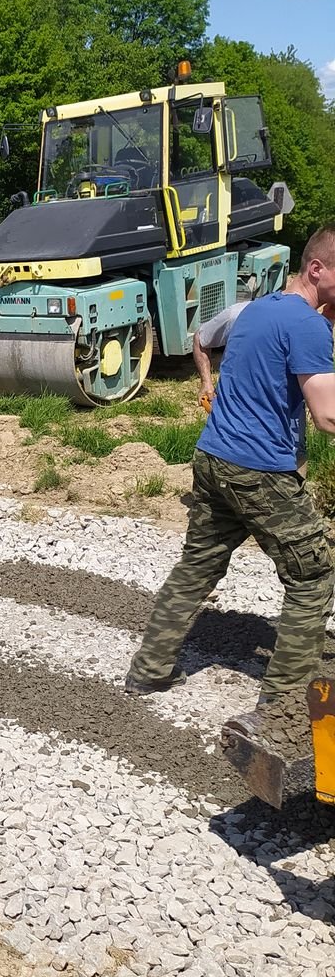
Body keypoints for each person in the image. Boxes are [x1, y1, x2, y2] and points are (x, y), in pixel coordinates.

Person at [125, 225, 335, 732]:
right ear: (317, 269)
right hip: (258, 470)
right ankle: (284, 713)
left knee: (198, 564)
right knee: (313, 575)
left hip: (213, 457)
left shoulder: (256, 310)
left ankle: (148, 670)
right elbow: (328, 416)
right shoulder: (306, 325)